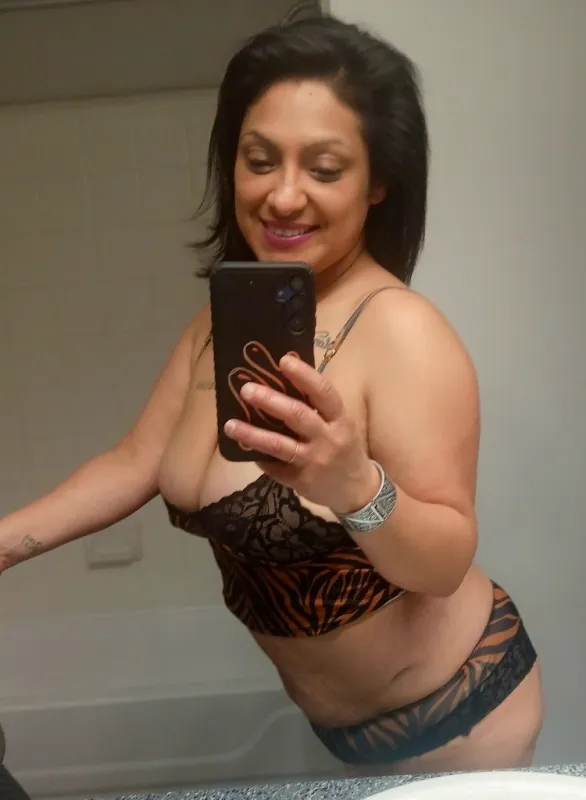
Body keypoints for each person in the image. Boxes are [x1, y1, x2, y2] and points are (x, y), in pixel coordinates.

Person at [0, 14, 543, 776]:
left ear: (377, 183)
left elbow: (443, 563)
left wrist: (355, 486)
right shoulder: (219, 324)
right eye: (260, 160)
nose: (284, 196)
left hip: (461, 713)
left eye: (324, 168)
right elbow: (133, 462)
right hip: (344, 731)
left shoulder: (402, 332)